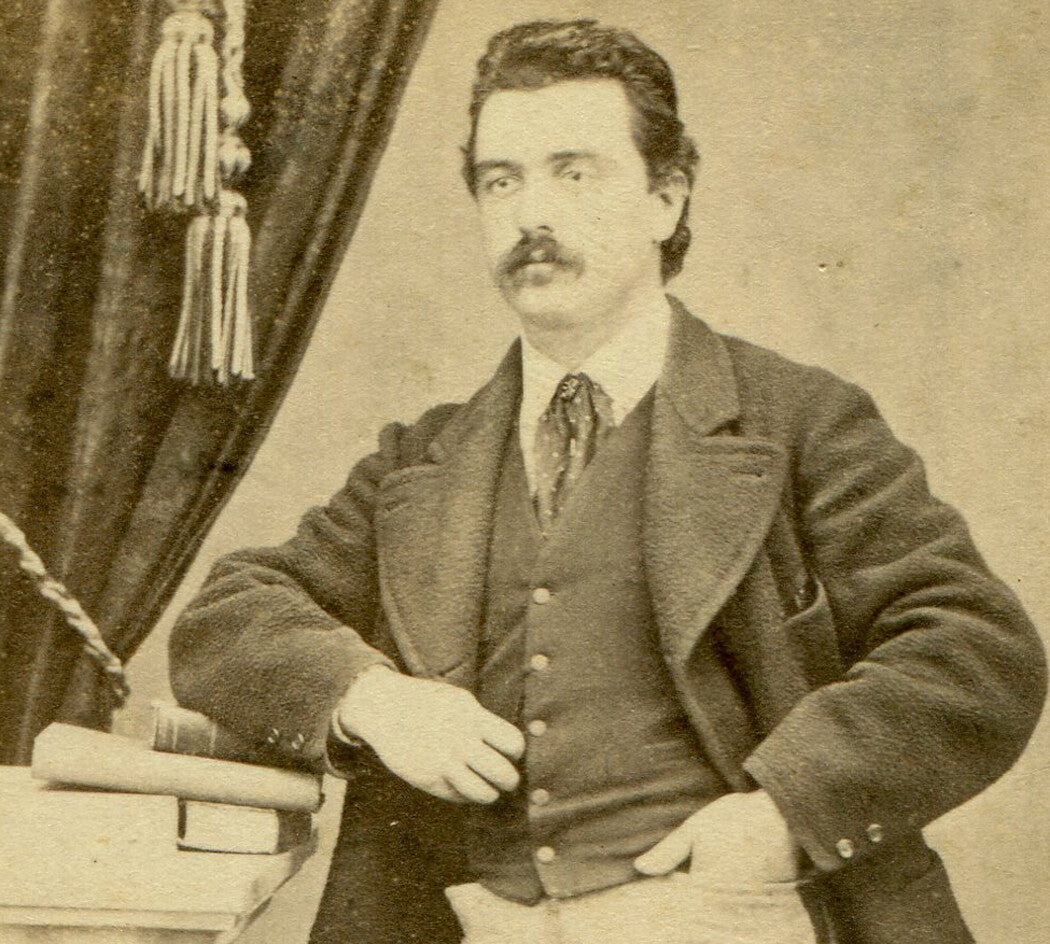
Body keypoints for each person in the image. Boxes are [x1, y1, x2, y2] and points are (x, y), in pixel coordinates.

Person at [169, 19, 1046, 944]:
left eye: (573, 173)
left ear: (666, 199)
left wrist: (782, 813)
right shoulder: (421, 461)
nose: (528, 214)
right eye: (500, 181)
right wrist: (375, 698)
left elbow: (975, 649)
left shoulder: (800, 422)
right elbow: (228, 614)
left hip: (745, 919)